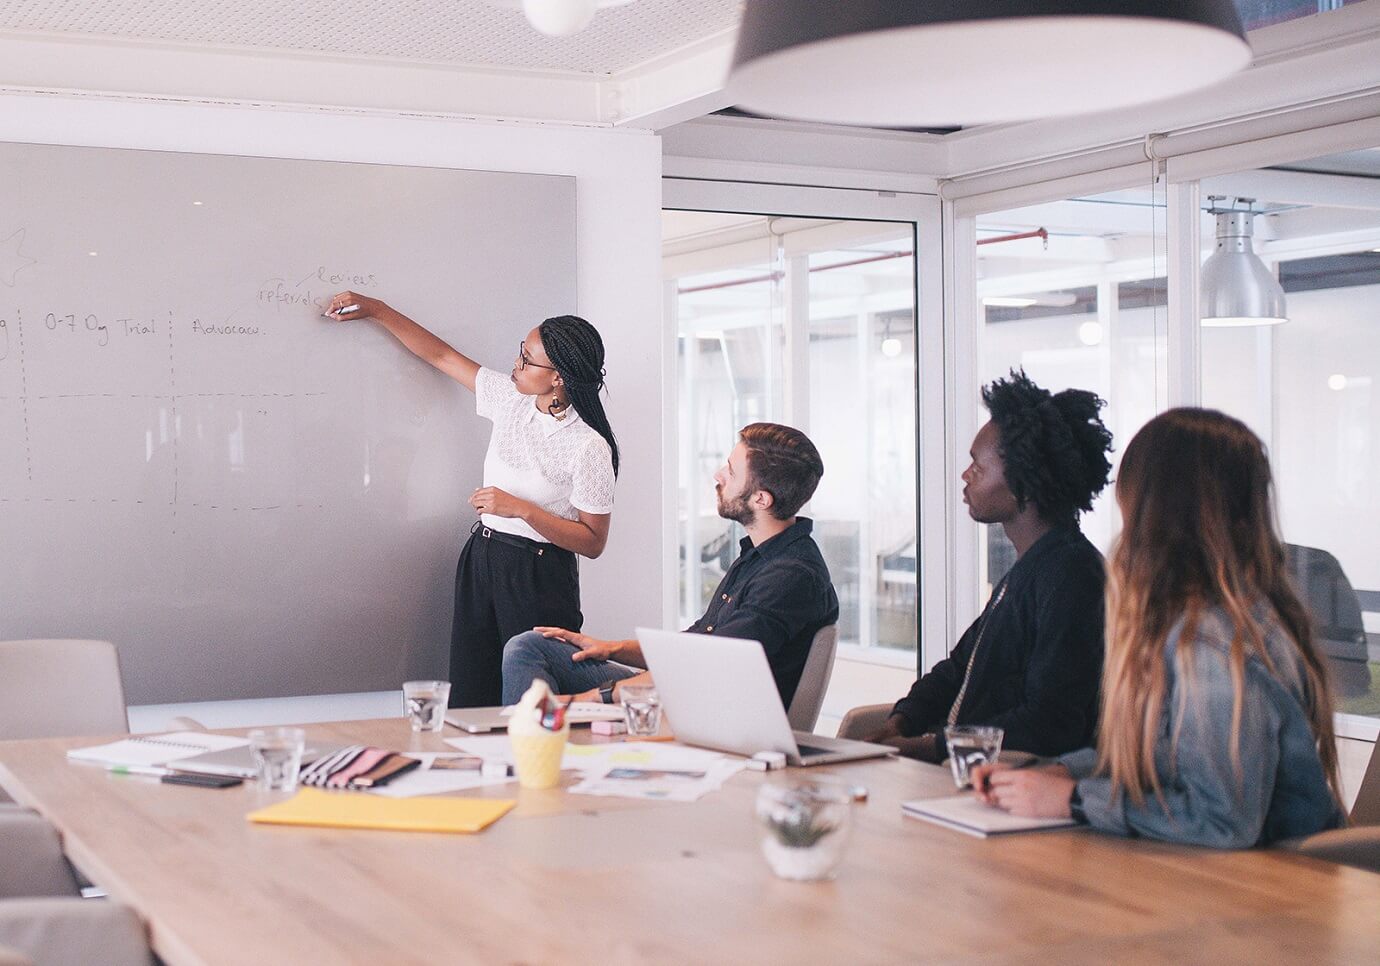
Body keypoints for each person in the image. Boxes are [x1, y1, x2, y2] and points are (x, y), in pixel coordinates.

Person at [973, 409, 1347, 847]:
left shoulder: (1210, 646)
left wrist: (1073, 800)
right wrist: (1057, 773)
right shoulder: (1200, 622)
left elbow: (1222, 820)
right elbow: (1164, 757)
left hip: (1277, 895)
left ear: (1151, 510)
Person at [322, 292, 618, 707]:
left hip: (538, 575)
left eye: (527, 360)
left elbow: (593, 541)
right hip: (482, 556)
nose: (516, 364)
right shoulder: (510, 400)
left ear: (558, 378)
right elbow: (441, 356)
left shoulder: (587, 447)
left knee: (531, 704)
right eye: (520, 352)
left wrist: (522, 509)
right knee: (471, 690)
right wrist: (377, 310)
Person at [858, 370, 1113, 762]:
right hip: (971, 775)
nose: (966, 476)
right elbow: (959, 668)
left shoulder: (1072, 576)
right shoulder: (1032, 567)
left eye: (977, 465)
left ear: (1023, 482)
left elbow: (1050, 720)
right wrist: (905, 719)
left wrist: (931, 747)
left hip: (1009, 784)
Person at [500, 422, 837, 710]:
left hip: (713, 712)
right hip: (692, 692)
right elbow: (698, 645)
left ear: (761, 499)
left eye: (731, 472)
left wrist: (596, 698)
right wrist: (610, 647)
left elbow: (704, 667)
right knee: (531, 646)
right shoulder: (762, 554)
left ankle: (529, 759)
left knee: (543, 669)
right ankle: (533, 756)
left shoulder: (791, 576)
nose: (718, 475)